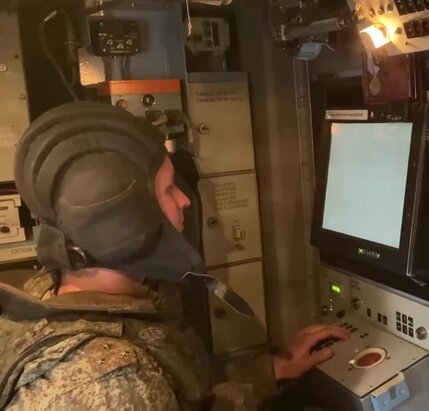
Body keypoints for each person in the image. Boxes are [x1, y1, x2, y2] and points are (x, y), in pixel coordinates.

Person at [0, 102, 349, 410]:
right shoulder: (107, 386)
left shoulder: (53, 295)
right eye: (168, 190)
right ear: (123, 222)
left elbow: (190, 397)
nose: (184, 201)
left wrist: (270, 371)